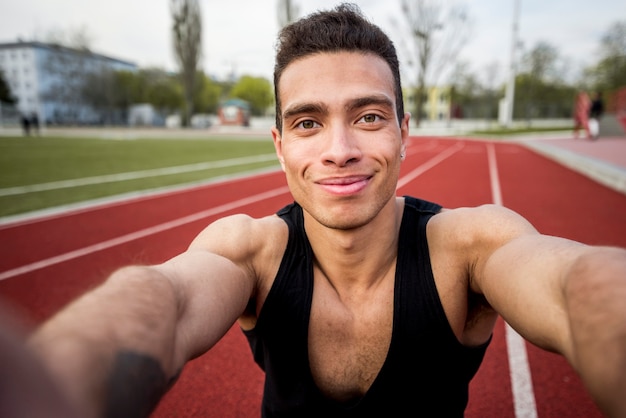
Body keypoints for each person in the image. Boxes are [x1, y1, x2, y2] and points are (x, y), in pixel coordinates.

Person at [24, 4, 626, 418]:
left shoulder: (469, 247)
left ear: (403, 131)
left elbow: (575, 289)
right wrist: (53, 381)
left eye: (368, 116)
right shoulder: (250, 252)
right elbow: (166, 299)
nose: (340, 151)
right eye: (308, 122)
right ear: (281, 145)